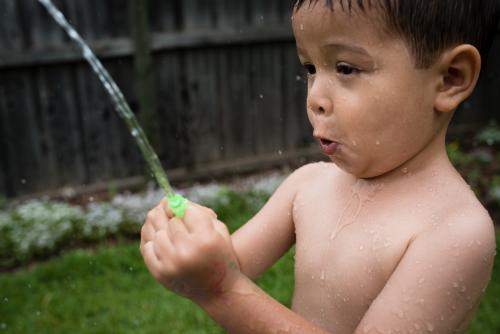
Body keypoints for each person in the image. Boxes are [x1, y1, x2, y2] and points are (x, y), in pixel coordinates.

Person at [140, 0, 500, 332]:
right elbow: (227, 266)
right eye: (311, 68)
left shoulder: (455, 231)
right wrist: (189, 247)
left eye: (346, 68)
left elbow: (223, 282)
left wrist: (220, 288)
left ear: (450, 77)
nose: (314, 97)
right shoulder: (308, 185)